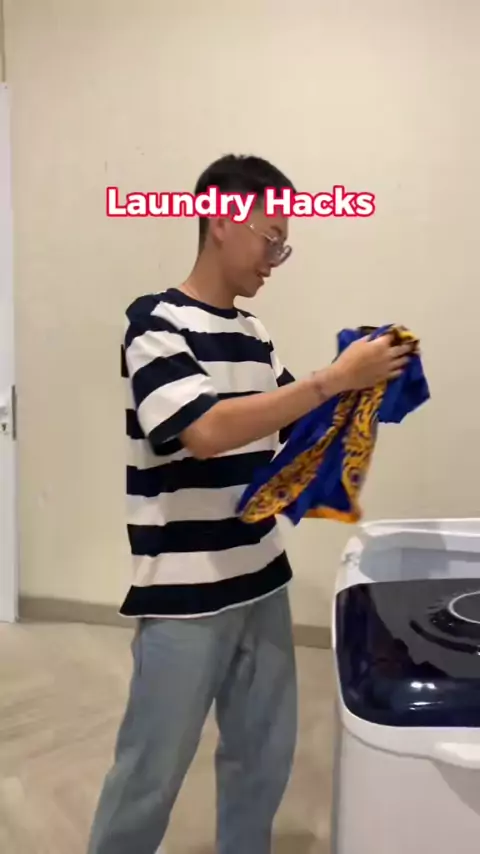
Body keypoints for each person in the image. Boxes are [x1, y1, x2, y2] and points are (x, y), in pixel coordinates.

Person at [86, 154, 412, 854]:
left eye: (284, 245)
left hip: (261, 580)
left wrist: (368, 382)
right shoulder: (155, 322)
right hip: (183, 598)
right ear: (222, 221)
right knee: (149, 773)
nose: (275, 259)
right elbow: (204, 431)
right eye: (272, 238)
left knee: (261, 762)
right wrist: (330, 380)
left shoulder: (254, 333)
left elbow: (295, 427)